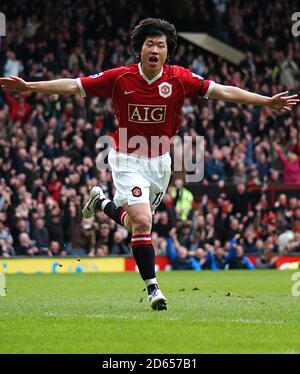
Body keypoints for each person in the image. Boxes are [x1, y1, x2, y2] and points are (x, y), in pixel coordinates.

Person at [0, 18, 298, 311]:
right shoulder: (120, 78)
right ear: (139, 48)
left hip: (160, 163)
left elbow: (225, 91)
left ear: (168, 51)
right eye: (149, 44)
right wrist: (30, 87)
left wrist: (265, 102)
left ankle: (102, 203)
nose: (155, 49)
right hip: (126, 157)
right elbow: (74, 85)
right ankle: (153, 287)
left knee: (134, 224)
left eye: (161, 45)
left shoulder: (179, 78)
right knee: (143, 222)